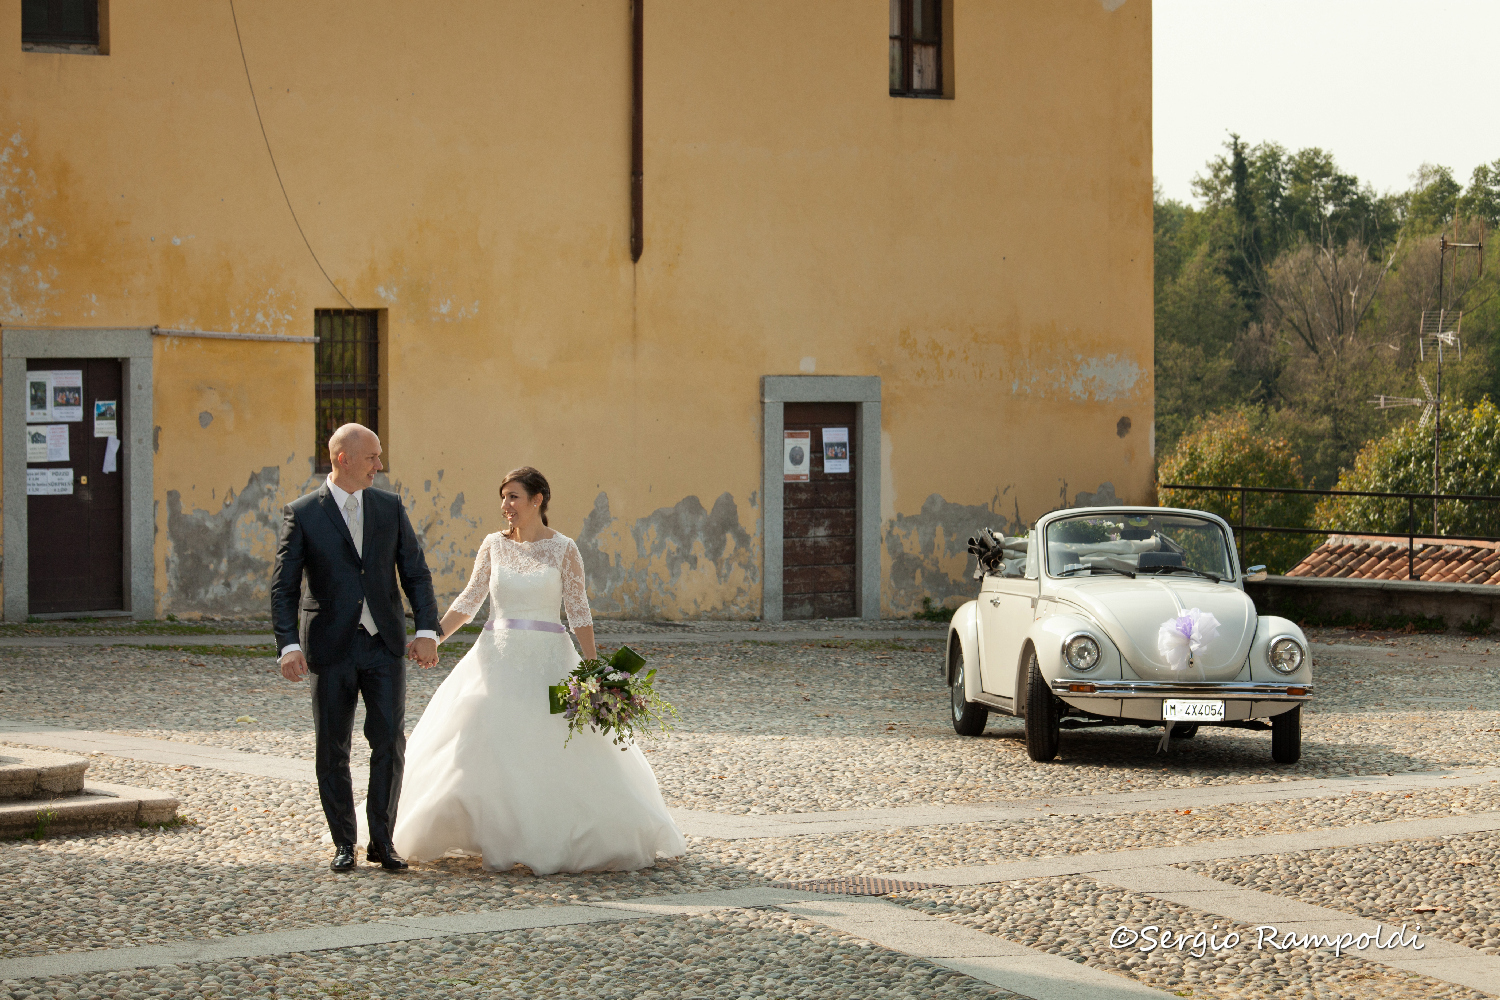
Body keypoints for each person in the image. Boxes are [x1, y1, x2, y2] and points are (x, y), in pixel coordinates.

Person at [389, 466, 685, 873]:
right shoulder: (493, 545)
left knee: (554, 745)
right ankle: (482, 829)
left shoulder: (564, 549)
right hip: (496, 658)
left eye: (513, 496)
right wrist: (433, 637)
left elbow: (578, 611)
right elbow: (470, 599)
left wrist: (594, 669)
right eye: (503, 497)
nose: (505, 505)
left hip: (549, 659)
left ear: (537, 499)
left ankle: (553, 835)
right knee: (478, 739)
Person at [270, 423, 441, 873]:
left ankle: (382, 841)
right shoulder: (302, 513)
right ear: (343, 458)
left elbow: (415, 573)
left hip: (384, 644)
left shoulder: (389, 506)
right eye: (372, 457)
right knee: (332, 748)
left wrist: (427, 629)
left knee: (389, 742)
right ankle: (344, 842)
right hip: (329, 646)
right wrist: (288, 645)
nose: (379, 465)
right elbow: (284, 587)